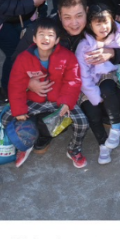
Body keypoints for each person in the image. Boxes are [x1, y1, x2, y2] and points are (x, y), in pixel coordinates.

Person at [8, 18, 88, 168]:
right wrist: (19, 110)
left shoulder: (67, 57)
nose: (45, 38)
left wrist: (66, 102)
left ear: (57, 40)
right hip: (34, 100)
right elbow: (15, 85)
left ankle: (74, 149)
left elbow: (73, 81)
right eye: (41, 34)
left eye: (50, 35)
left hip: (59, 101)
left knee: (82, 122)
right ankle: (24, 144)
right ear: (34, 38)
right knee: (8, 116)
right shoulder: (23, 58)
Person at [74, 6, 120, 165]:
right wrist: (96, 98)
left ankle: (116, 126)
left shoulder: (118, 37)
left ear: (112, 21)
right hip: (87, 85)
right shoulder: (84, 45)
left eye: (106, 22)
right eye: (98, 23)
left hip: (107, 73)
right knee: (93, 114)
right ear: (90, 25)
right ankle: (103, 145)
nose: (103, 27)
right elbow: (83, 76)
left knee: (107, 88)